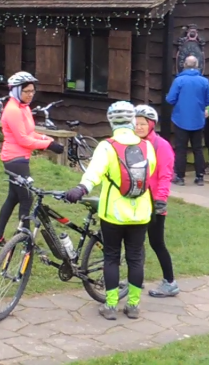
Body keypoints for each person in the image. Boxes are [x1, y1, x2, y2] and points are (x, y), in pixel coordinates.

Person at [64, 101, 157, 320]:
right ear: (132, 120)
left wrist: (81, 189)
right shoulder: (147, 146)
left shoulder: (107, 146)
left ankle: (111, 305)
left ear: (111, 121)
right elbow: (150, 172)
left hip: (113, 213)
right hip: (141, 213)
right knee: (135, 258)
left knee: (111, 257)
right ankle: (133, 305)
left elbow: (94, 173)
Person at [0, 71, 63, 248]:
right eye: (26, 91)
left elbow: (29, 133)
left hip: (20, 158)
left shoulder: (23, 107)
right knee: (27, 198)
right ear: (15, 91)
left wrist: (45, 138)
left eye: (32, 91)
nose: (30, 94)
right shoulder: (13, 110)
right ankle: (26, 239)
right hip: (15, 159)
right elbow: (23, 140)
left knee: (13, 198)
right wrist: (49, 145)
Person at [134, 105, 179, 298]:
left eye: (143, 124)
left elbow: (165, 175)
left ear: (151, 125)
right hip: (136, 200)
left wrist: (160, 200)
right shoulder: (133, 143)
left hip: (154, 203)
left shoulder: (161, 146)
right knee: (135, 242)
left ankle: (170, 282)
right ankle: (136, 278)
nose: (138, 127)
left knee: (157, 242)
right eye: (136, 123)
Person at [165, 55, 209, 186]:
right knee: (198, 149)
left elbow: (170, 99)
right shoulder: (204, 81)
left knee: (181, 149)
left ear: (184, 65)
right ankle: (200, 177)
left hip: (181, 119)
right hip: (198, 119)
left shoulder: (179, 80)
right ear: (197, 65)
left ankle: (180, 177)